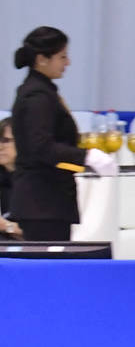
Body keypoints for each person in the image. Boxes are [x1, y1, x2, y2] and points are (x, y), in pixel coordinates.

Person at [9, 27, 116, 242]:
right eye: (63, 57)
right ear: (42, 59)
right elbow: (42, 147)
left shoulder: (42, 90)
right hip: (42, 202)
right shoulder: (37, 96)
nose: (68, 63)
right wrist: (87, 156)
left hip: (46, 202)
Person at [0, 118, 23, 238]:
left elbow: (41, 235)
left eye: (6, 141)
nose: (0, 147)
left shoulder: (36, 182)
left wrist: (6, 226)